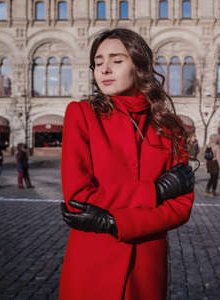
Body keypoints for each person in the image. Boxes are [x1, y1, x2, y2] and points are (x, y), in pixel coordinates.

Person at [59, 28, 195, 300]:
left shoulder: (171, 128)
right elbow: (77, 197)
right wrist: (155, 192)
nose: (105, 69)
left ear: (139, 66)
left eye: (116, 60)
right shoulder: (82, 115)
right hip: (91, 267)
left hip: (146, 272)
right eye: (98, 63)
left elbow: (180, 207)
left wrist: (111, 219)